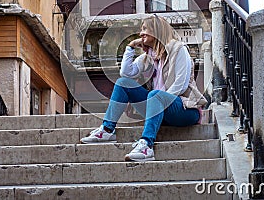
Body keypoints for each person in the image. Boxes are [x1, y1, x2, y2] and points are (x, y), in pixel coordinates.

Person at [81, 15, 207, 162]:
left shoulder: (178, 49)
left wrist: (159, 101)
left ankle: (146, 145)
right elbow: (126, 72)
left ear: (157, 31)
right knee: (123, 83)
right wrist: (130, 47)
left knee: (155, 95)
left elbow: (181, 85)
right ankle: (107, 130)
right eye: (141, 30)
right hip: (157, 108)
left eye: (145, 29)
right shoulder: (148, 56)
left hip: (184, 109)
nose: (141, 33)